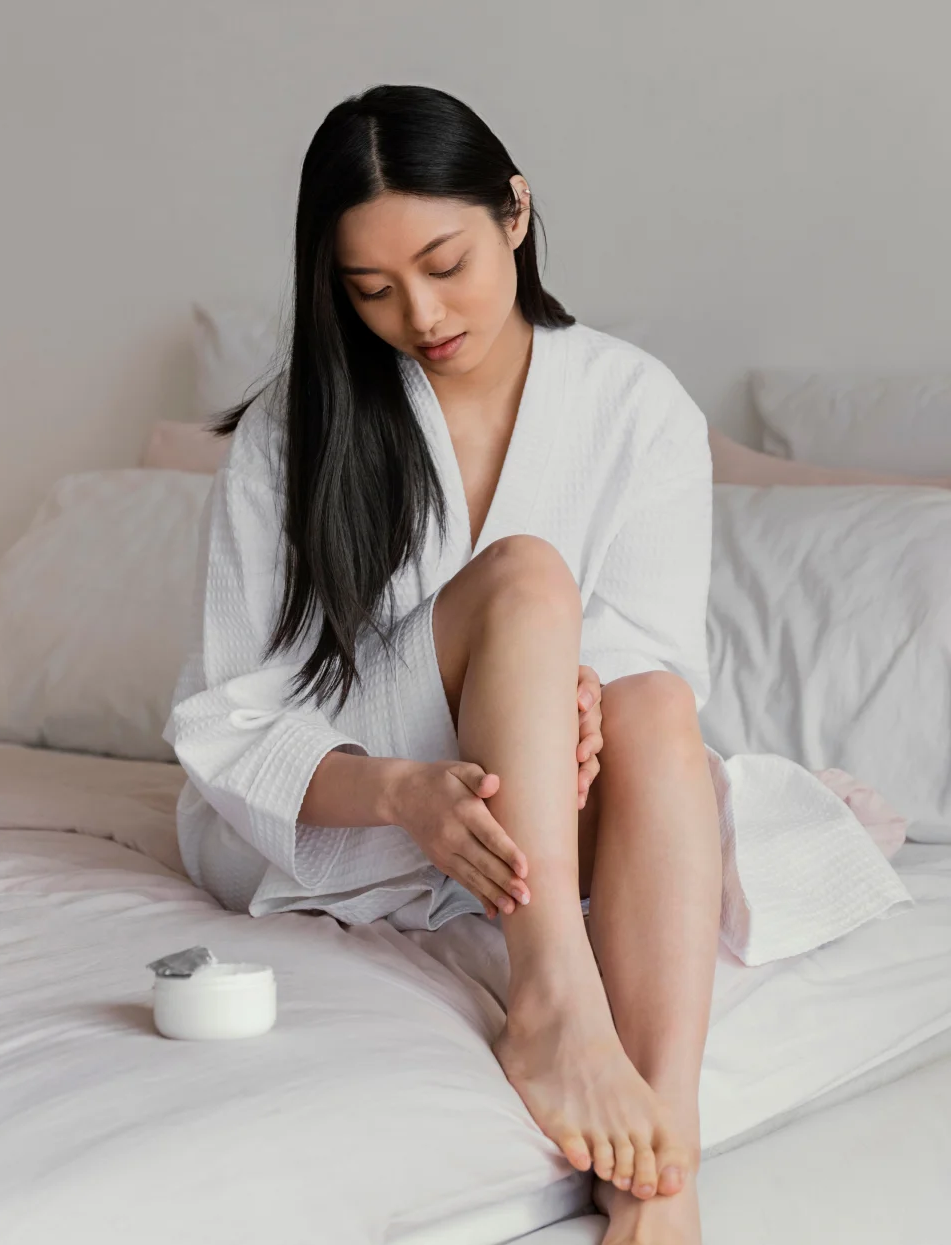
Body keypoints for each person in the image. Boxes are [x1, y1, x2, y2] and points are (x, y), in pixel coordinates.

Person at [162, 83, 900, 1245]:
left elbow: (640, 661)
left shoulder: (632, 403)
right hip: (354, 807)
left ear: (514, 211)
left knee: (654, 697)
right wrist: (403, 790)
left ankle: (662, 1159)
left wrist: (571, 714)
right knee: (525, 575)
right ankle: (553, 996)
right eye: (371, 291)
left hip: (544, 801)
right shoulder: (292, 431)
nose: (419, 312)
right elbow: (226, 715)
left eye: (444, 261)